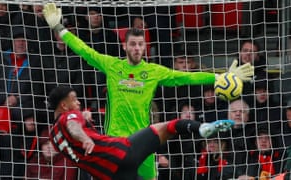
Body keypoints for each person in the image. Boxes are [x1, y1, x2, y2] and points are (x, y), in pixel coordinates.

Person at [42, 3, 254, 179]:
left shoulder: (153, 71)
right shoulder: (112, 65)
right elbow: (83, 49)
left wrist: (219, 76)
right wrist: (59, 27)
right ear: (125, 47)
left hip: (142, 141)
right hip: (114, 142)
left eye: (140, 45)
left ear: (144, 48)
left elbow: (186, 77)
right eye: (132, 44)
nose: (136, 48)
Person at [47, 85, 234, 180]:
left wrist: (84, 122)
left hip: (111, 176)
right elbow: (73, 127)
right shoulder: (69, 117)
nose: (78, 103)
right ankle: (200, 128)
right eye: (74, 100)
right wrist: (85, 137)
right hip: (121, 153)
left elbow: (71, 134)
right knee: (165, 127)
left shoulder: (53, 137)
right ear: (64, 105)